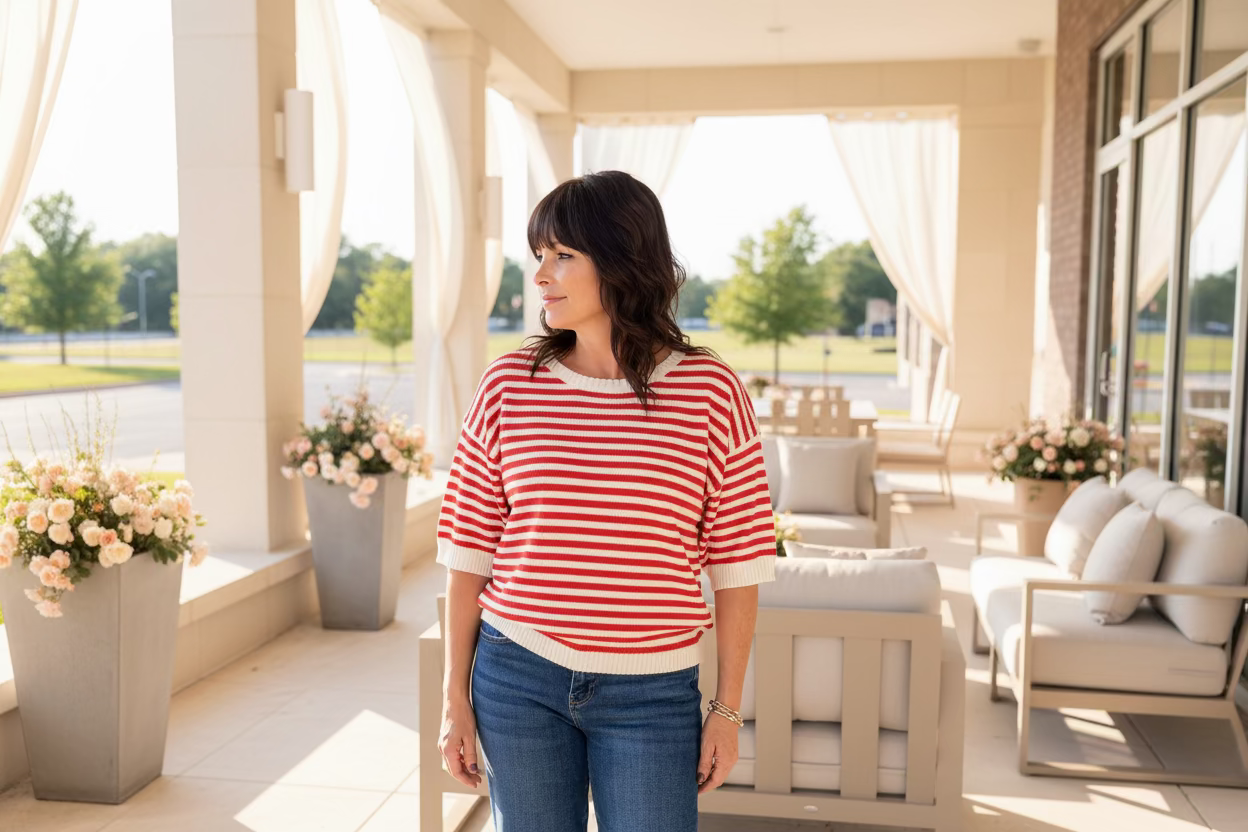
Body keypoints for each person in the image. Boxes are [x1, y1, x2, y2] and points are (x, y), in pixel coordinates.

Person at [435, 170, 776, 832]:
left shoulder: (709, 391)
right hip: (516, 675)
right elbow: (468, 554)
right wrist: (456, 696)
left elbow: (739, 567)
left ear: (622, 259)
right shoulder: (508, 386)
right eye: (539, 256)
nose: (541, 276)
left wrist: (726, 713)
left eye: (563, 255)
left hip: (652, 693)